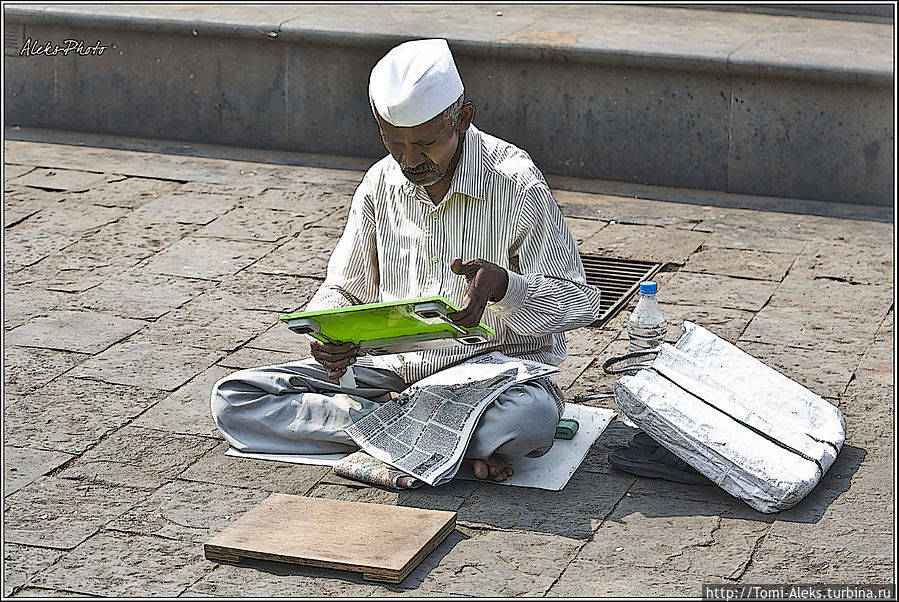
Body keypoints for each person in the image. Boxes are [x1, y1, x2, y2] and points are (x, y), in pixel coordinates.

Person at [211, 38, 602, 482]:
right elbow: (344, 287)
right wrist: (328, 331)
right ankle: (435, 440)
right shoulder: (380, 180)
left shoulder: (516, 183)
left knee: (529, 420)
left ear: (463, 119)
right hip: (392, 374)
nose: (409, 160)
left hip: (491, 379)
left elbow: (583, 303)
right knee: (235, 398)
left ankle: (392, 431)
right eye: (393, 142)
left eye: (425, 143)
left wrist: (506, 287)